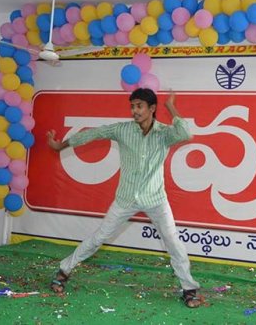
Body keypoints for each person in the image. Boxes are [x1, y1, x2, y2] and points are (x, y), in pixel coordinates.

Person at [46, 88, 201, 308]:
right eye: (132, 106)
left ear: (152, 108)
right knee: (99, 237)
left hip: (156, 198)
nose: (134, 111)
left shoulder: (165, 133)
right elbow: (93, 134)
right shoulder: (123, 130)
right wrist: (60, 145)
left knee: (173, 242)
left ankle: (188, 289)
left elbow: (185, 133)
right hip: (125, 198)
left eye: (139, 106)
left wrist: (170, 106)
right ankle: (64, 270)